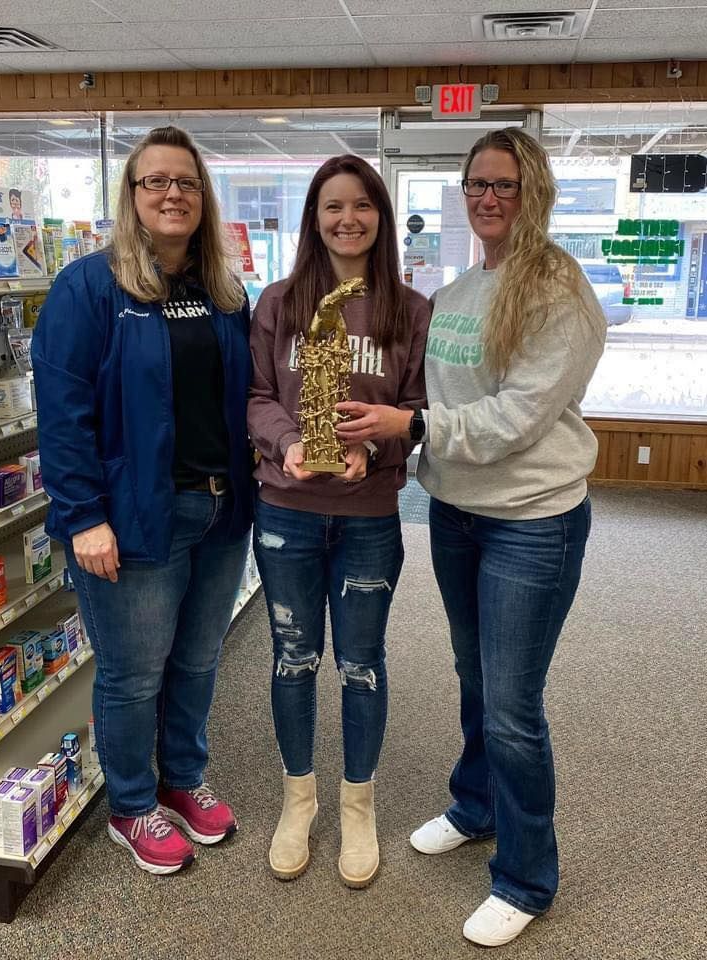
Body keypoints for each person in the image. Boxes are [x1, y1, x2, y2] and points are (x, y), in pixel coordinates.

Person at [337, 128, 606, 944]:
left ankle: (527, 879)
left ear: (535, 192)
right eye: (476, 185)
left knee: (513, 704)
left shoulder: (556, 290)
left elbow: (517, 417)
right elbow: (426, 396)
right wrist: (362, 431)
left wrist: (409, 421)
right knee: (472, 675)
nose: (488, 198)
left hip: (532, 522)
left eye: (505, 185)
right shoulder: (457, 292)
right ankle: (477, 804)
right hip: (456, 514)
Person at [32, 125, 255, 876]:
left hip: (221, 511)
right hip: (132, 518)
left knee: (196, 661)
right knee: (133, 672)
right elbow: (62, 412)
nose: (171, 194)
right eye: (155, 181)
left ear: (202, 197)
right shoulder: (89, 288)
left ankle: (181, 779)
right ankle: (131, 806)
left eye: (185, 183)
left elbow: (246, 397)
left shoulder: (223, 291)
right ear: (130, 196)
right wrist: (84, 514)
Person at [247, 154, 430, 888]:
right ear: (313, 217)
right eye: (332, 206)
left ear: (380, 216)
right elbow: (257, 395)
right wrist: (291, 444)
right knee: (293, 660)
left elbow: (417, 415)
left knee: (360, 665)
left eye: (361, 205)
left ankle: (358, 805)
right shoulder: (279, 302)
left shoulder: (409, 310)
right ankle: (300, 801)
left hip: (367, 517)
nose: (346, 218)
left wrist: (374, 447)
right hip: (286, 511)